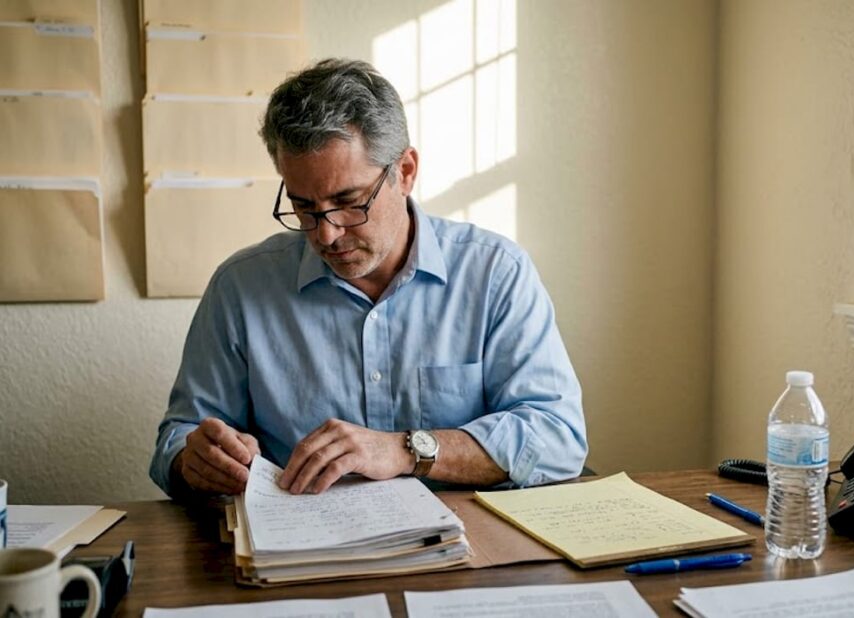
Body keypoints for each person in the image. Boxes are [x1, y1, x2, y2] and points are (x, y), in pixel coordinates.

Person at [149, 58, 587, 499]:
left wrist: (406, 449)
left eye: (349, 200)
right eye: (303, 206)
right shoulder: (241, 288)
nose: (326, 232)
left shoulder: (495, 274)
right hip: (300, 553)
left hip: (469, 550)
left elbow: (558, 438)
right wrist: (197, 460)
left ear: (406, 172)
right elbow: (176, 441)